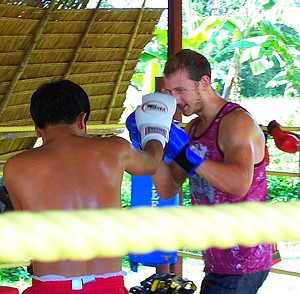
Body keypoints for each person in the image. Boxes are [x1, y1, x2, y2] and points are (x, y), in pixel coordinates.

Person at [3, 79, 176, 294]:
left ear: (38, 128)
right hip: (108, 286)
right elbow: (151, 162)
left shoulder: (15, 167)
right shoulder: (115, 149)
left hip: (52, 286)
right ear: (82, 119)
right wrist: (155, 131)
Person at [147, 49, 272, 293]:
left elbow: (239, 184)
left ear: (204, 82)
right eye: (170, 92)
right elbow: (168, 187)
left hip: (245, 258)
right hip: (217, 259)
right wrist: (149, 145)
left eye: (180, 90)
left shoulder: (236, 122)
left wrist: (188, 154)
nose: (175, 100)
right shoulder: (193, 129)